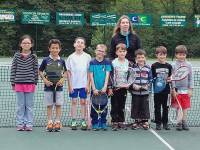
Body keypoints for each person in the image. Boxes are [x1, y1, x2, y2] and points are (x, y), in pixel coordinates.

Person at [10, 35, 38, 131]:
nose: (26, 44)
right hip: (18, 84)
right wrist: (13, 83)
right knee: (20, 105)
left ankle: (29, 124)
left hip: (30, 84)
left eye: (28, 43)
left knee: (29, 105)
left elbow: (35, 70)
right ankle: (20, 123)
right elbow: (13, 69)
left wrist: (35, 82)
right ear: (20, 44)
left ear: (31, 45)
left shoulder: (34, 56)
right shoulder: (16, 55)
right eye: (24, 43)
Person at [39, 39, 67, 132]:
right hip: (48, 87)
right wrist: (45, 80)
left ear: (60, 49)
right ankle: (50, 122)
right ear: (49, 49)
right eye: (53, 48)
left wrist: (62, 79)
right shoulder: (45, 60)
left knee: (58, 105)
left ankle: (58, 122)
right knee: (49, 105)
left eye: (56, 48)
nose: (55, 50)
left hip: (59, 87)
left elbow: (66, 72)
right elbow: (40, 71)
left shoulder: (62, 61)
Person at [66, 37, 91, 130]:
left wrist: (88, 84)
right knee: (74, 101)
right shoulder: (70, 57)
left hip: (84, 84)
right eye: (78, 42)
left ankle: (83, 120)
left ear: (84, 46)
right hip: (74, 85)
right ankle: (73, 120)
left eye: (81, 43)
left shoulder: (87, 57)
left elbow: (89, 71)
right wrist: (70, 85)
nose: (79, 44)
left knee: (83, 102)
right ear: (74, 44)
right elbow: (68, 72)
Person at [89, 44, 111, 131]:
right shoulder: (92, 62)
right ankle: (94, 123)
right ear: (95, 51)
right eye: (98, 50)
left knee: (103, 106)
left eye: (102, 51)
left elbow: (107, 75)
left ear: (104, 53)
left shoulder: (107, 62)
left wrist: (105, 87)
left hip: (104, 89)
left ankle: (103, 122)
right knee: (94, 106)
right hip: (95, 89)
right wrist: (94, 88)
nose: (100, 52)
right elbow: (91, 76)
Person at [108, 43, 129, 131]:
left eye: (123, 51)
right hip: (115, 88)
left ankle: (121, 121)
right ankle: (114, 121)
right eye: (120, 51)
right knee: (114, 105)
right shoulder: (113, 62)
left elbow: (130, 75)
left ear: (126, 52)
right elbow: (110, 75)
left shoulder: (128, 62)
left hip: (123, 89)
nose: (122, 53)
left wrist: (129, 84)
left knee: (122, 105)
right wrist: (110, 87)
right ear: (116, 52)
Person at [171, 45, 193, 131]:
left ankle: (184, 121)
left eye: (183, 54)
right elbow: (172, 78)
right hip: (177, 90)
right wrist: (173, 89)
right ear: (176, 55)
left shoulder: (189, 65)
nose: (181, 56)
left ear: (186, 55)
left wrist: (190, 89)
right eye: (179, 54)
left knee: (184, 107)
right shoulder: (173, 65)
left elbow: (191, 78)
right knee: (178, 107)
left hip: (186, 90)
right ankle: (179, 122)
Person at [129, 49, 152, 130]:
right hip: (135, 92)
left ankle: (145, 121)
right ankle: (136, 121)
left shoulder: (148, 68)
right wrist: (133, 85)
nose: (140, 59)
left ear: (145, 58)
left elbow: (150, 79)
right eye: (139, 57)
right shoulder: (133, 68)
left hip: (145, 92)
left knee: (145, 107)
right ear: (136, 58)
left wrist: (147, 85)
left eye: (142, 57)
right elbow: (130, 79)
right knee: (136, 106)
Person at [151, 46, 172, 130]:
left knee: (165, 107)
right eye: (160, 54)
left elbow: (171, 77)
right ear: (157, 55)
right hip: (157, 91)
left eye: (164, 54)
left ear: (166, 55)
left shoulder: (169, 66)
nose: (162, 56)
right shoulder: (154, 66)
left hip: (166, 91)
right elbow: (152, 77)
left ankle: (165, 123)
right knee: (157, 107)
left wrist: (170, 81)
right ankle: (158, 123)